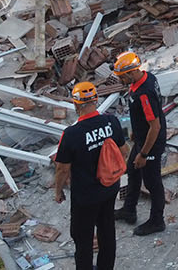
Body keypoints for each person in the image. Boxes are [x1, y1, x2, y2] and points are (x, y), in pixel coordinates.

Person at [53, 82, 128, 270]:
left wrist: (58, 191)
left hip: (85, 196)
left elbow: (62, 168)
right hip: (109, 187)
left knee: (83, 238)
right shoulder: (111, 122)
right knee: (106, 230)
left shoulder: (71, 134)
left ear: (76, 104)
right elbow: (123, 151)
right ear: (96, 100)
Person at [113, 50, 168, 235]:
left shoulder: (144, 93)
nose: (121, 81)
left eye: (122, 77)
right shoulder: (146, 78)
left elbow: (155, 126)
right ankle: (129, 210)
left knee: (153, 183)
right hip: (142, 138)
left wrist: (144, 154)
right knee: (133, 172)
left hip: (151, 143)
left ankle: (157, 221)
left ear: (130, 73)